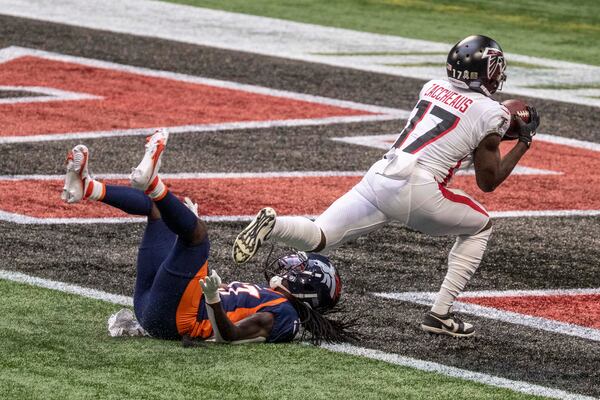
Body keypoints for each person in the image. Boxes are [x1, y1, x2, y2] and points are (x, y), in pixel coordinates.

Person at [232, 35, 541, 338]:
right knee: (480, 226)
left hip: (381, 174)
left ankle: (273, 226)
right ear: (488, 71)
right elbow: (488, 181)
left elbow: (461, 123)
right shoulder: (493, 113)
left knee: (321, 236)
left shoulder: (432, 87)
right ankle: (440, 313)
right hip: (419, 187)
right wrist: (523, 140)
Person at [61, 129, 352, 345]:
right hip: (154, 306)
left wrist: (212, 298)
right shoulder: (274, 300)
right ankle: (87, 188)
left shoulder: (285, 316)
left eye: (298, 267)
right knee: (159, 212)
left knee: (198, 237)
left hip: (176, 320)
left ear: (308, 285)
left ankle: (152, 183)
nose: (288, 264)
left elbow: (232, 335)